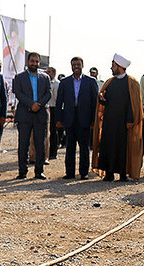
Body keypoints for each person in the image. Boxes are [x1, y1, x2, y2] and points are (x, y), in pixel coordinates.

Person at [93, 54, 143, 181]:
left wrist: (130, 121)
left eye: (113, 65)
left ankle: (122, 174)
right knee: (108, 147)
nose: (111, 68)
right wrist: (102, 100)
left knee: (122, 148)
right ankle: (109, 173)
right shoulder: (110, 82)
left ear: (120, 67)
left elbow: (135, 105)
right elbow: (104, 101)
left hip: (124, 123)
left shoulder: (132, 83)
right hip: (109, 122)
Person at [55, 56, 99, 179]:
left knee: (84, 148)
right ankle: (69, 173)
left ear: (82, 65)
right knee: (70, 147)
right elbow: (59, 102)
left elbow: (94, 102)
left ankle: (84, 173)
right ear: (71, 66)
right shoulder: (65, 82)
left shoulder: (90, 81)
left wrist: (93, 120)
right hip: (69, 118)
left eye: (78, 64)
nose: (76, 67)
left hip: (84, 119)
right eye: (74, 64)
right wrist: (59, 119)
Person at [13, 52, 52, 180]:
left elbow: (48, 94)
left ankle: (39, 171)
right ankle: (22, 171)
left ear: (39, 63)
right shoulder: (19, 77)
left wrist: (39, 104)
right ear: (27, 62)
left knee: (40, 144)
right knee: (23, 145)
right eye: (32, 61)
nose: (34, 64)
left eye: (36, 61)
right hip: (25, 114)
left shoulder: (45, 78)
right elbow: (18, 93)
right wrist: (31, 104)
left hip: (40, 114)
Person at [45, 67, 61, 159]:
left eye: (49, 72)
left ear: (54, 73)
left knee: (53, 131)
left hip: (53, 108)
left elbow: (57, 98)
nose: (47, 73)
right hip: (46, 108)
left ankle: (53, 152)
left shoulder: (57, 84)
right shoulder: (44, 82)